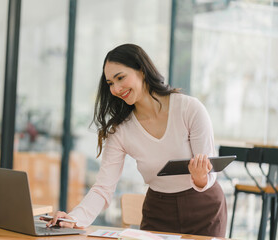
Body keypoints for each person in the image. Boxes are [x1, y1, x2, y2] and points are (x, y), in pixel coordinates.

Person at [42, 43, 227, 237]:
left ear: (142, 70)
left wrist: (200, 177)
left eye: (120, 78)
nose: (116, 88)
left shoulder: (189, 109)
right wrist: (73, 218)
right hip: (159, 211)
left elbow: (209, 172)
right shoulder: (120, 131)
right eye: (110, 83)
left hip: (204, 209)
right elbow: (103, 188)